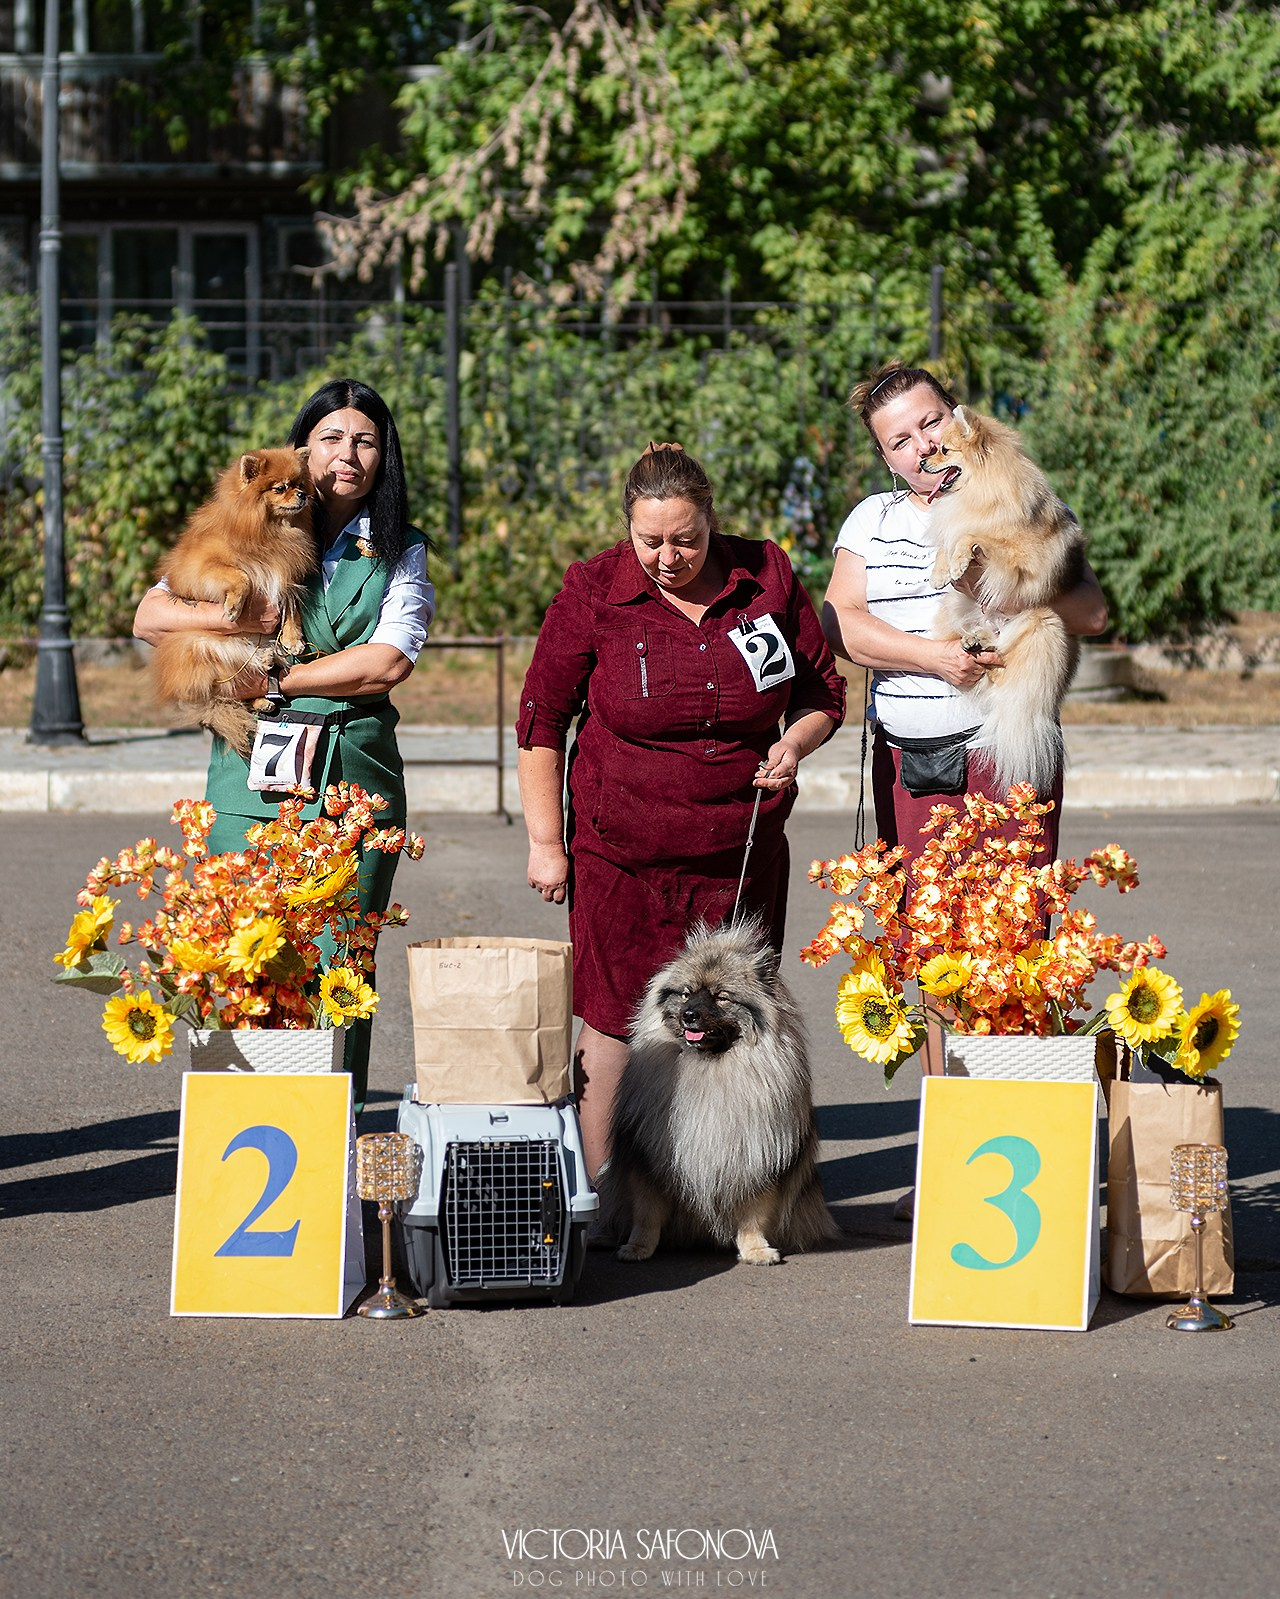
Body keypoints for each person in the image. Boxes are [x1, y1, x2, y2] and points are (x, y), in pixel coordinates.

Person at [821, 362, 1108, 1214]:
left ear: (959, 418)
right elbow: (841, 623)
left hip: (1009, 756)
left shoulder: (1018, 490)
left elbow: (1092, 613)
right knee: (939, 954)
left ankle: (1028, 1157)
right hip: (918, 757)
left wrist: (1014, 578)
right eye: (899, 439)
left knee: (1017, 944)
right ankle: (952, 1159)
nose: (921, 445)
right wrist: (935, 657)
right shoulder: (873, 523)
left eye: (930, 422)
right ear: (884, 457)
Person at [517, 442, 846, 1178]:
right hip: (622, 855)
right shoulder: (594, 590)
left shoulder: (766, 575)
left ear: (711, 520)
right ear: (628, 529)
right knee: (614, 1018)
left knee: (733, 1023)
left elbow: (822, 691)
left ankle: (723, 1187)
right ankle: (606, 1193)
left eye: (686, 539)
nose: (668, 557)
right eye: (651, 541)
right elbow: (542, 719)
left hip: (740, 854)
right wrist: (546, 841)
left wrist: (793, 741)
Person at [133, 378, 435, 1111]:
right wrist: (240, 622)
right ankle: (247, 1125)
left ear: (384, 457)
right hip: (249, 776)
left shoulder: (400, 549)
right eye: (331, 438)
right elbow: (150, 615)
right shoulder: (241, 529)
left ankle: (332, 1131)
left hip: (352, 778)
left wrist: (273, 680)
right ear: (302, 449)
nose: (346, 455)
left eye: (365, 441)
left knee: (340, 963)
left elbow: (387, 662)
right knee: (243, 949)